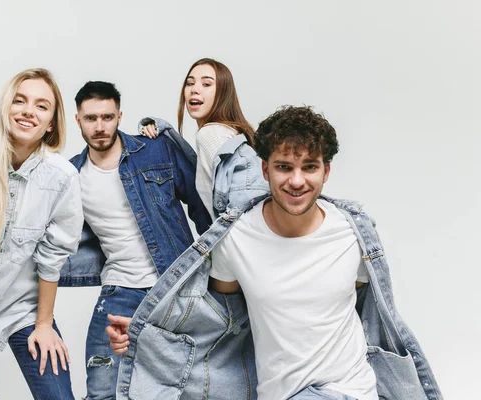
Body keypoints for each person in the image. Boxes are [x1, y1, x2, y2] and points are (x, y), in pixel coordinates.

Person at [107, 106, 442, 400]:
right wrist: (145, 333)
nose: (297, 181)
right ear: (265, 170)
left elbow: (362, 308)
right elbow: (217, 318)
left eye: (309, 167)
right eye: (284, 167)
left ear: (326, 172)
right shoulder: (237, 237)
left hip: (349, 390)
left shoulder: (352, 234)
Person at [58, 81, 211, 400]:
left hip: (175, 287)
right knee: (102, 390)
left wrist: (218, 271)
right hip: (120, 291)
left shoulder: (154, 149)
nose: (100, 127)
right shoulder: (70, 175)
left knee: (194, 387)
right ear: (78, 120)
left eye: (107, 117)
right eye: (91, 119)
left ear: (119, 116)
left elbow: (202, 203)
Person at [0, 68, 84, 399]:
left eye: (41, 105)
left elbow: (52, 257)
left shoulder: (62, 177)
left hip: (24, 308)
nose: (27, 111)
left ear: (51, 122)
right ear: (6, 109)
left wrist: (45, 324)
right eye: (19, 101)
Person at [140, 58, 256, 220]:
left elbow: (233, 209)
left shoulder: (210, 134)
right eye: (190, 83)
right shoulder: (230, 132)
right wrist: (158, 126)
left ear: (223, 93)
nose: (194, 89)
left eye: (206, 84)